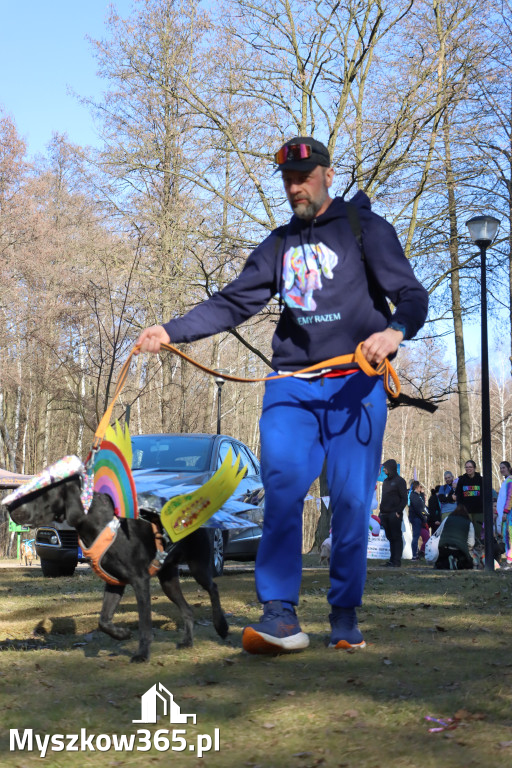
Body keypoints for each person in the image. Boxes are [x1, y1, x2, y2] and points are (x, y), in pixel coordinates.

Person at [136, 135, 428, 654]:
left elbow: (411, 295)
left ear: (327, 174)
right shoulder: (278, 245)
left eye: (305, 176)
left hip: (355, 388)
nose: (295, 186)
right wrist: (170, 330)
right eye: (289, 179)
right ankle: (280, 617)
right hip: (292, 386)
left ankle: (344, 616)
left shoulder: (366, 231)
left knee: (352, 500)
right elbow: (231, 303)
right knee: (284, 494)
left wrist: (393, 333)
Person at [380, 459, 408, 567]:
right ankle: (392, 560)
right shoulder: (386, 482)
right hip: (385, 514)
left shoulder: (400, 481)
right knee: (390, 537)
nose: (384, 469)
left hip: (394, 514)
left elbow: (404, 498)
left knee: (396, 537)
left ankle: (396, 561)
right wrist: (381, 512)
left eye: (386, 467)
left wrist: (398, 511)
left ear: (391, 468)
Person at [434, 504, 475, 570]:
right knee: (467, 564)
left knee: (441, 563)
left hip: (444, 548)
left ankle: (448, 562)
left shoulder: (447, 518)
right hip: (459, 550)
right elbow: (471, 543)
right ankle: (456, 562)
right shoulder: (469, 523)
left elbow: (437, 533)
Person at [455, 460, 484, 541]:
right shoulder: (462, 480)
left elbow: (485, 495)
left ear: (474, 468)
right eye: (466, 467)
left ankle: (478, 548)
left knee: (478, 532)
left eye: (470, 467)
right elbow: (459, 496)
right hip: (466, 511)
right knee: (468, 532)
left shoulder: (480, 480)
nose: (468, 469)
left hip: (479, 511)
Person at [408, 480, 428, 560]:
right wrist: (423, 518)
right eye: (420, 487)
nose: (421, 488)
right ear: (417, 487)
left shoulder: (417, 495)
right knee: (415, 536)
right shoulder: (413, 495)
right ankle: (414, 555)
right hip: (416, 518)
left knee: (418, 536)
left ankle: (417, 553)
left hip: (418, 518)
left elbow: (422, 505)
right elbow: (419, 508)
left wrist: (422, 494)